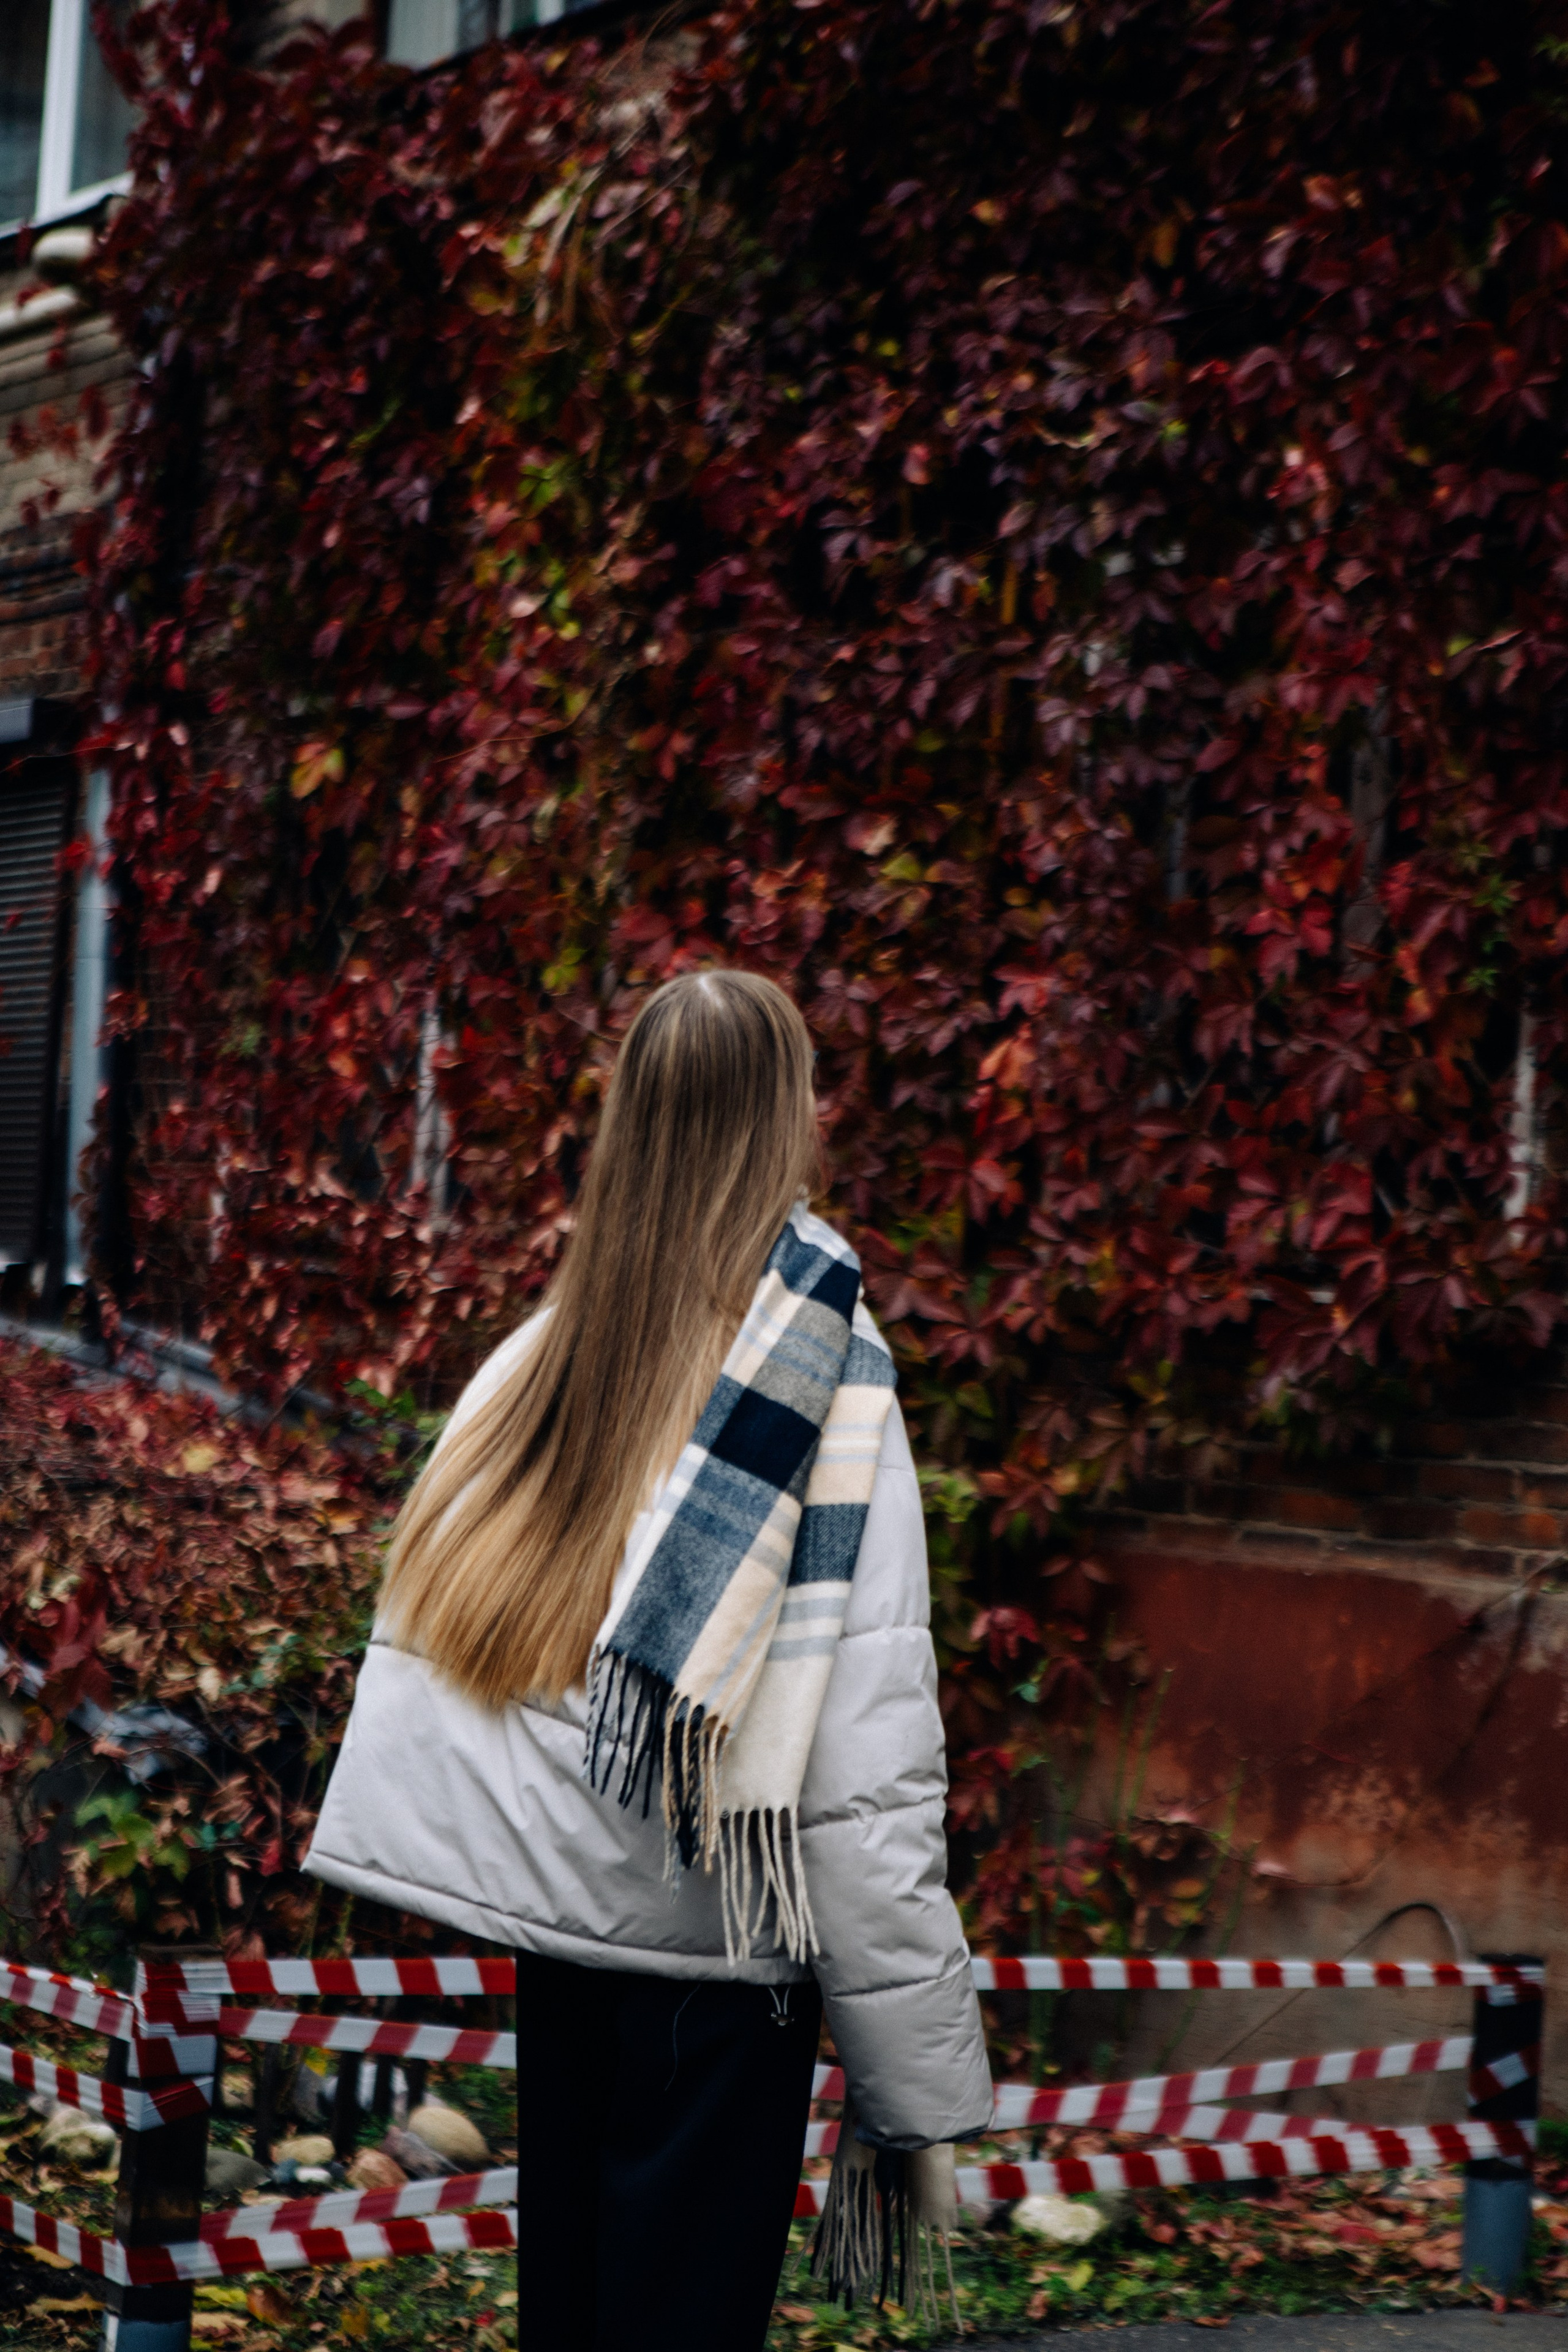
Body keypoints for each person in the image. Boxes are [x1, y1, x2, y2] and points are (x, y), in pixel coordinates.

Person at [306, 968, 992, 2350]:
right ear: (771, 1124)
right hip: (722, 1976)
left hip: (563, 1958)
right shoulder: (829, 1389)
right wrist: (922, 2087)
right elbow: (863, 1777)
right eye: (804, 1083)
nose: (820, 1109)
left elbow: (439, 1657)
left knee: (574, 2309)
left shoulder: (544, 1361)